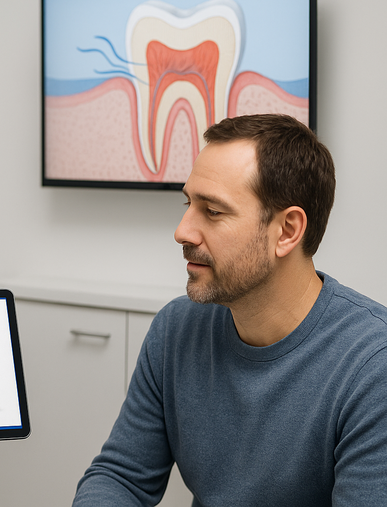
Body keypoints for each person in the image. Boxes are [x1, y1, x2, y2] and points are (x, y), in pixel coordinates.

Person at [72, 114, 387, 506]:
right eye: (189, 203)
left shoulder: (374, 367)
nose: (182, 231)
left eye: (213, 211)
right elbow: (120, 477)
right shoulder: (176, 328)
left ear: (287, 231)